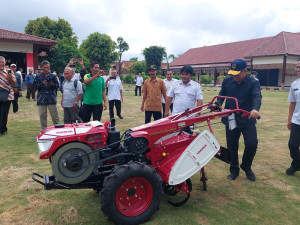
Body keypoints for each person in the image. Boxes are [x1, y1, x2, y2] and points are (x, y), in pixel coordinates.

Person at [217, 59, 261, 181]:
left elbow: (257, 96)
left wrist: (255, 109)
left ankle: (246, 166)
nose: (234, 76)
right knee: (232, 145)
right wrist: (218, 104)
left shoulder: (253, 82)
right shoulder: (227, 81)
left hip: (247, 117)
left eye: (237, 73)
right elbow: (221, 95)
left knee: (252, 144)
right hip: (231, 117)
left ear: (245, 71)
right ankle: (234, 169)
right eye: (232, 73)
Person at [33, 60, 60, 130]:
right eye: (44, 67)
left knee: (55, 116)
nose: (46, 69)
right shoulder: (38, 76)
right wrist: (42, 84)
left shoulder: (53, 76)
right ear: (41, 67)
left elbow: (57, 86)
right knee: (42, 115)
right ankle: (43, 130)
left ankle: (58, 129)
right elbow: (35, 86)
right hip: (42, 99)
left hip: (51, 98)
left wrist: (52, 84)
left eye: (47, 67)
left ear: (49, 67)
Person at [286, 59, 300, 175]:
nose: (298, 69)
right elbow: (293, 103)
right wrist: (289, 118)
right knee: (292, 145)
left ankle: (295, 165)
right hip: (297, 120)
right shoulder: (295, 84)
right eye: (297, 67)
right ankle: (297, 163)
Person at [0, 56, 16, 136]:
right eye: (0, 62)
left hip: (7, 95)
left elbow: (13, 83)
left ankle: (3, 129)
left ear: (5, 62)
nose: (1, 64)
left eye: (2, 62)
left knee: (4, 113)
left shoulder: (9, 71)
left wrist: (10, 78)